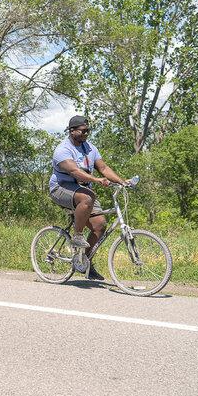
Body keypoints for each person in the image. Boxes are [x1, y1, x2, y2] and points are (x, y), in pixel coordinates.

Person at [48, 115, 127, 281]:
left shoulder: (90, 148)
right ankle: (77, 235)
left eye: (88, 131)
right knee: (88, 197)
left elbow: (103, 168)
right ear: (72, 131)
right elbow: (75, 172)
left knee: (100, 226)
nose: (86, 134)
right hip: (61, 188)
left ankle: (86, 264)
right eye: (83, 131)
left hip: (83, 191)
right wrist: (96, 180)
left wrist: (122, 182)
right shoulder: (62, 150)